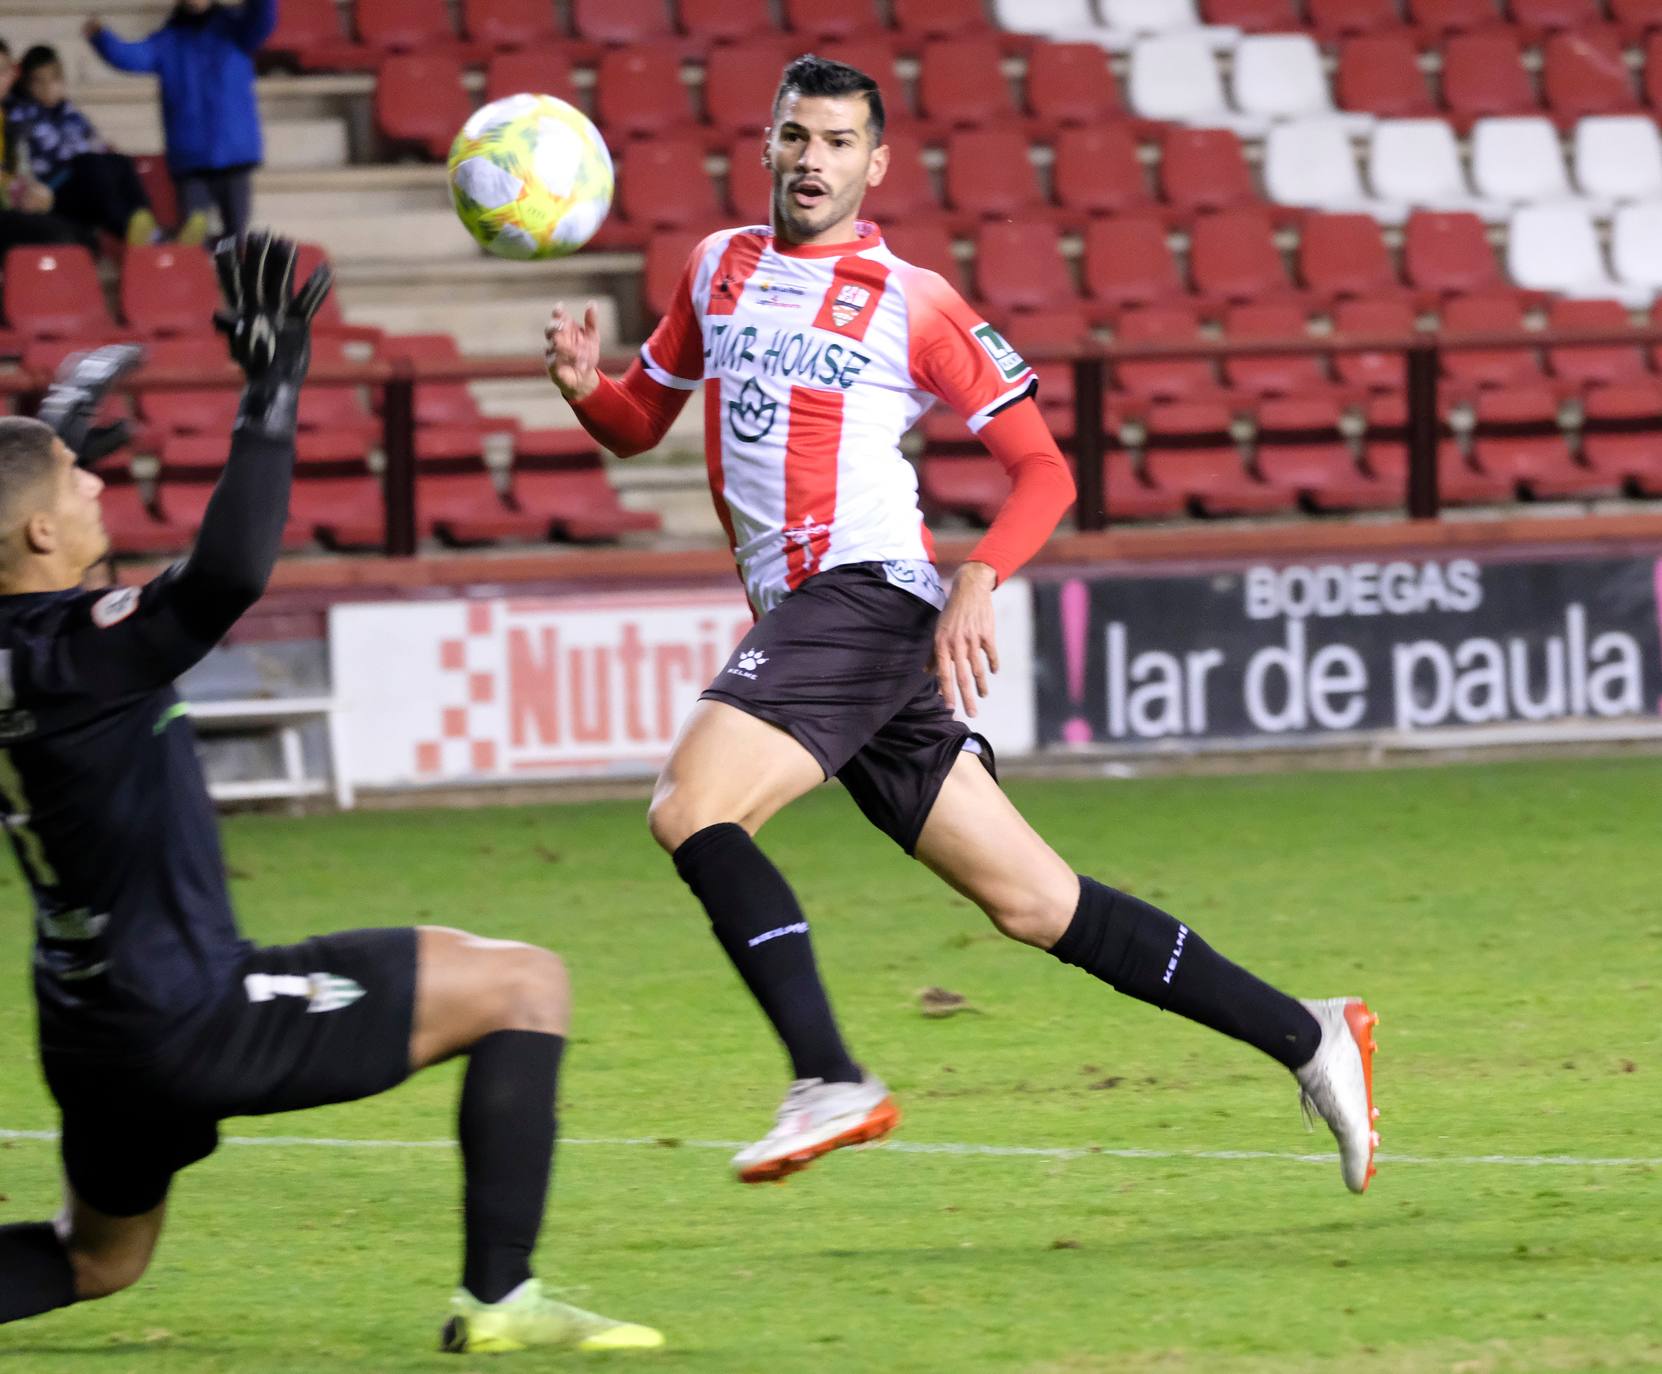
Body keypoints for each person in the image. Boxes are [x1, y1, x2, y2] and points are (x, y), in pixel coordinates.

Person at [545, 55, 1381, 1193]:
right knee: (1038, 903)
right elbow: (643, 420)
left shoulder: (912, 299)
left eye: (839, 143)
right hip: (825, 623)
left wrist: (981, 574)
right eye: (796, 136)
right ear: (767, 145)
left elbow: (1042, 469)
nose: (812, 160)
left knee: (692, 807)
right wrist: (587, 386)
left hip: (871, 592)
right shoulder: (715, 269)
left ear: (876, 164)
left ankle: (828, 1076)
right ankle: (1308, 1031)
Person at [0, 232, 662, 1357]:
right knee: (524, 986)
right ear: (42, 533)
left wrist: (45, 442)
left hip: (89, 1023)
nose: (102, 480)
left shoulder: (29, 647)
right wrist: (272, 392)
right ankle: (500, 1301)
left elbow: (35, 569)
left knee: (99, 1259)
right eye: (80, 482)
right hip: (193, 1013)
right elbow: (225, 577)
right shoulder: (87, 651)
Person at [85, 1, 275, 242]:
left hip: (233, 155)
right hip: (190, 158)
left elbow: (263, 20)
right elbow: (131, 56)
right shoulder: (168, 40)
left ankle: (227, 280)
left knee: (235, 237)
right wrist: (104, 39)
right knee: (193, 239)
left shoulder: (236, 29)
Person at [4, 43, 161, 245]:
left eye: (53, 80)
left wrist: (106, 154)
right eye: (39, 82)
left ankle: (147, 226)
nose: (48, 88)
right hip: (52, 187)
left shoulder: (70, 114)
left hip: (83, 179)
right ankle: (125, 228)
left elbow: (95, 143)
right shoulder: (21, 115)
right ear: (26, 84)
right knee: (89, 164)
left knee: (119, 161)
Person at [0, 39, 90, 250]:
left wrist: (35, 192)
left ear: (13, 74)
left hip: (11, 211)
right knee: (60, 235)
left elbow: (20, 172)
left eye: (2, 71)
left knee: (81, 236)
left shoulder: (11, 121)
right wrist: (15, 192)